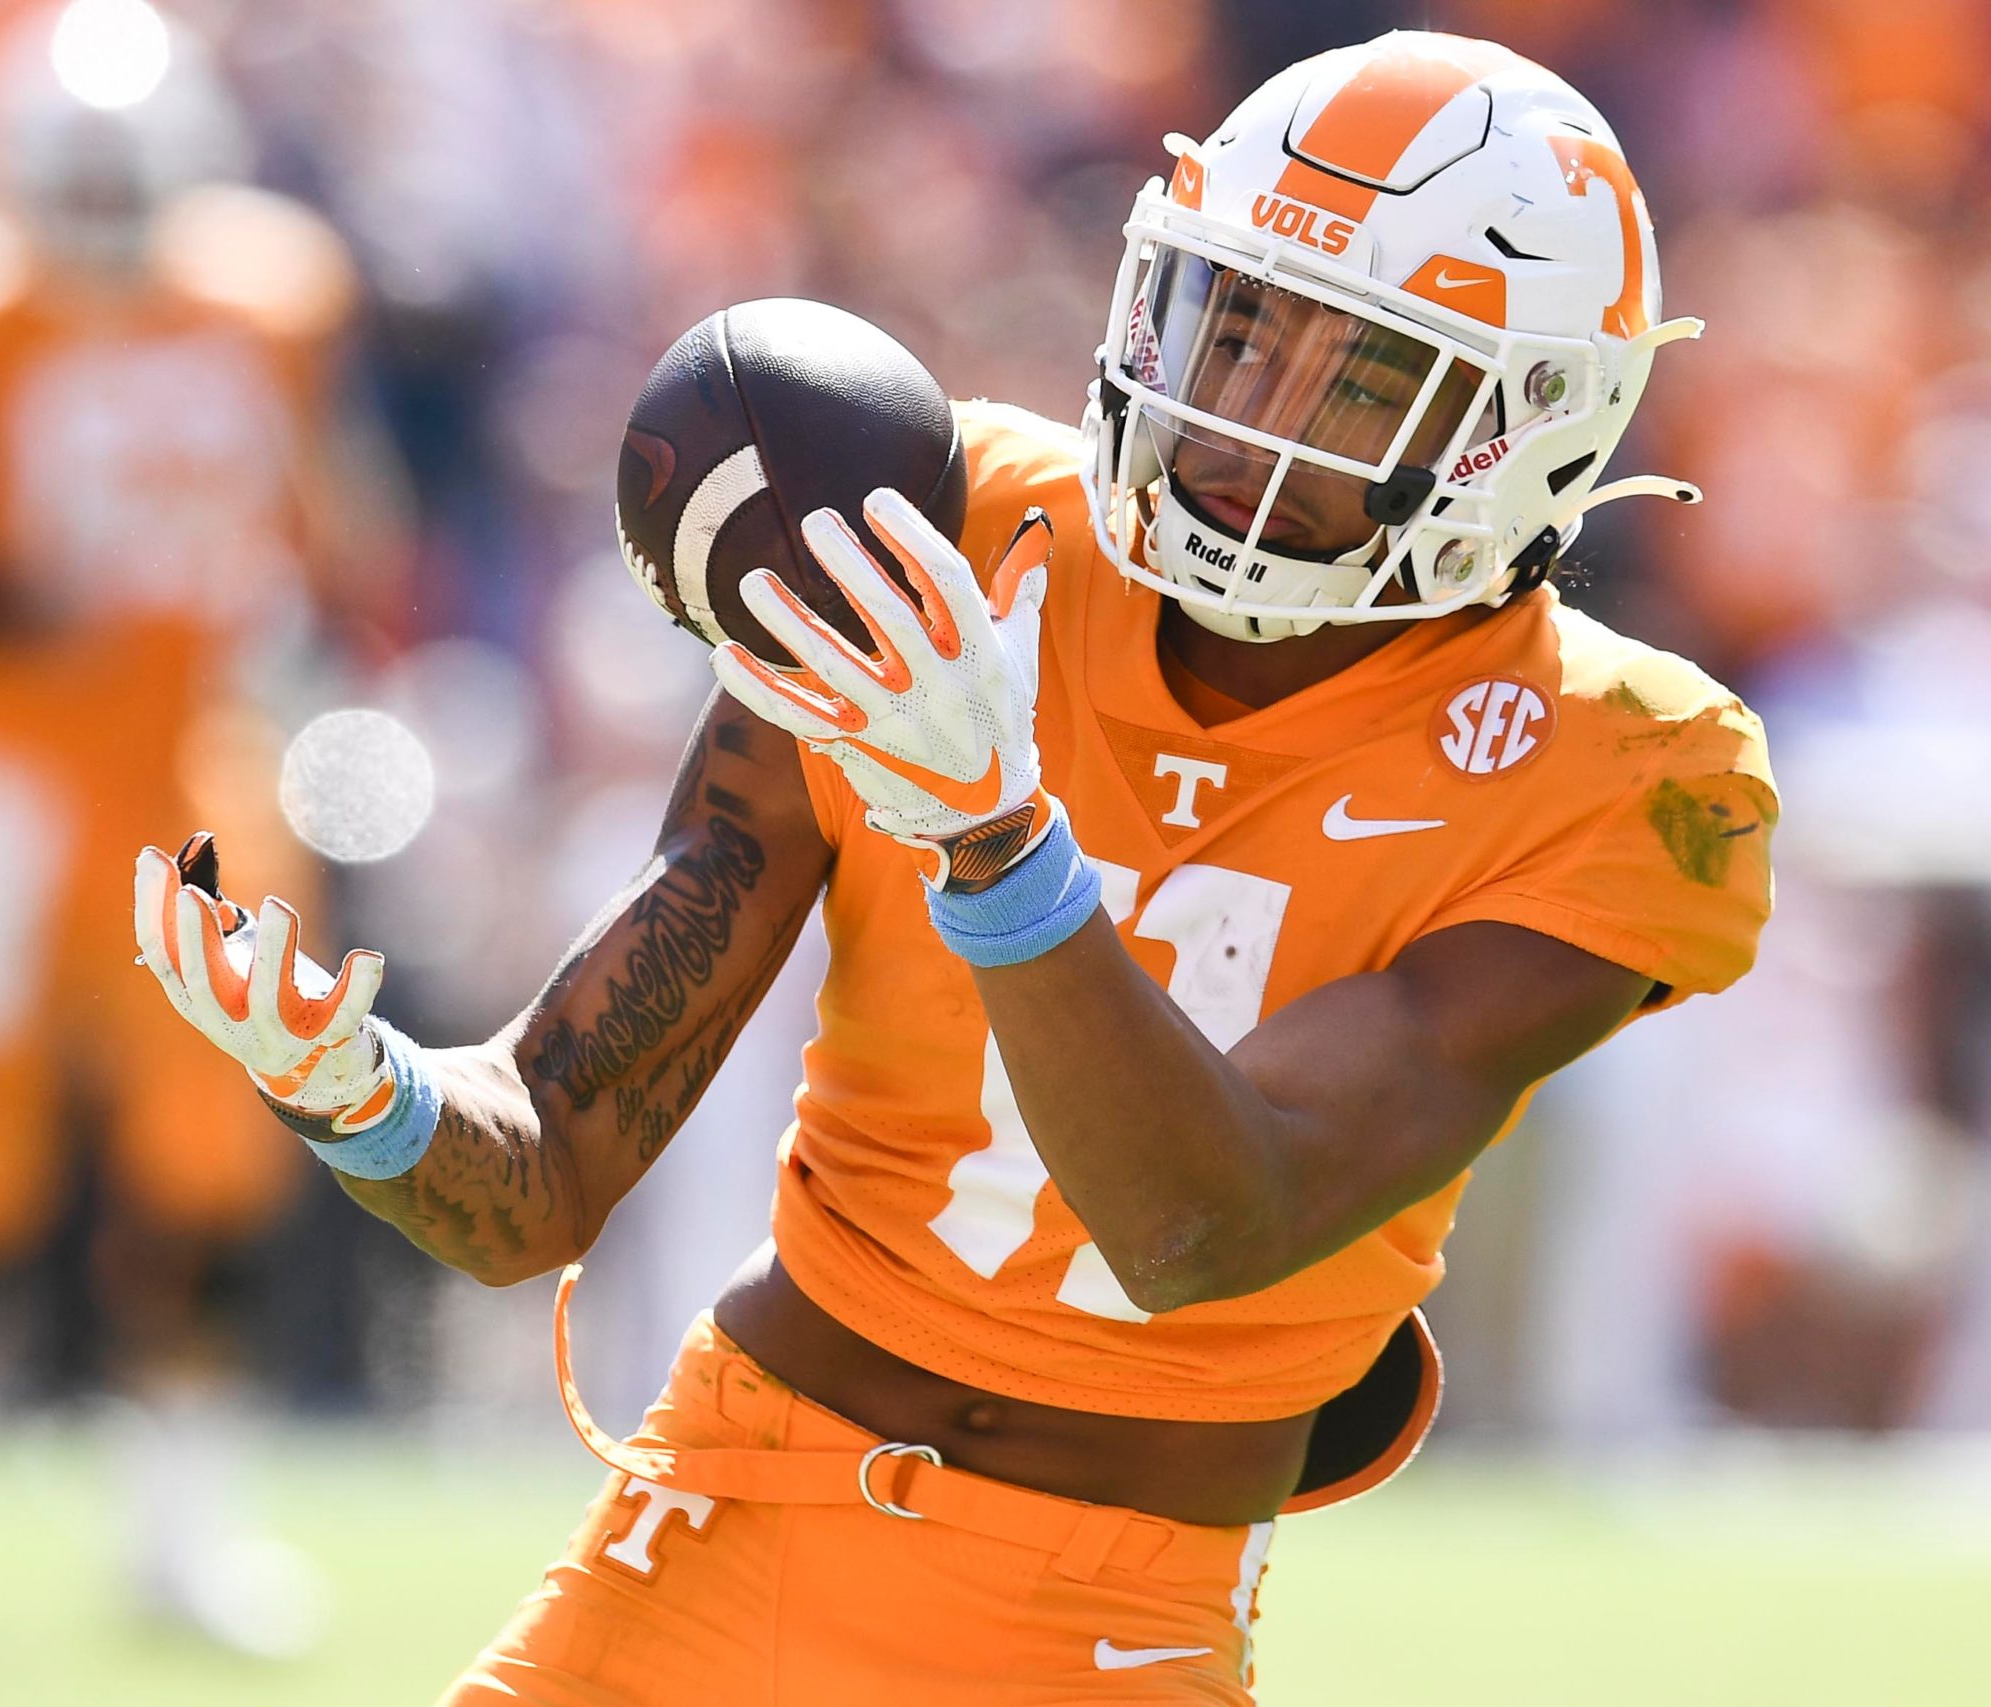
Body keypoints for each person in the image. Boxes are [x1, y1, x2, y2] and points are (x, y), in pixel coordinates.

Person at [137, 30, 1776, 1702]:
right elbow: (541, 1173)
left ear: (1529, 433)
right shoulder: (942, 526)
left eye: (1359, 379)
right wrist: (359, 1090)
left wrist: (996, 839)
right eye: (1236, 319)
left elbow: (1202, 1224)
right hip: (719, 1507)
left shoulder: (1629, 764)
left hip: (1098, 1617)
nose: (1238, 419)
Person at [0, 0, 398, 1655]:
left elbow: (334, 519)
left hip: (192, 780)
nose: (93, 230)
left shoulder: (271, 302)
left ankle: (181, 1528)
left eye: (119, 190)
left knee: (209, 1164)